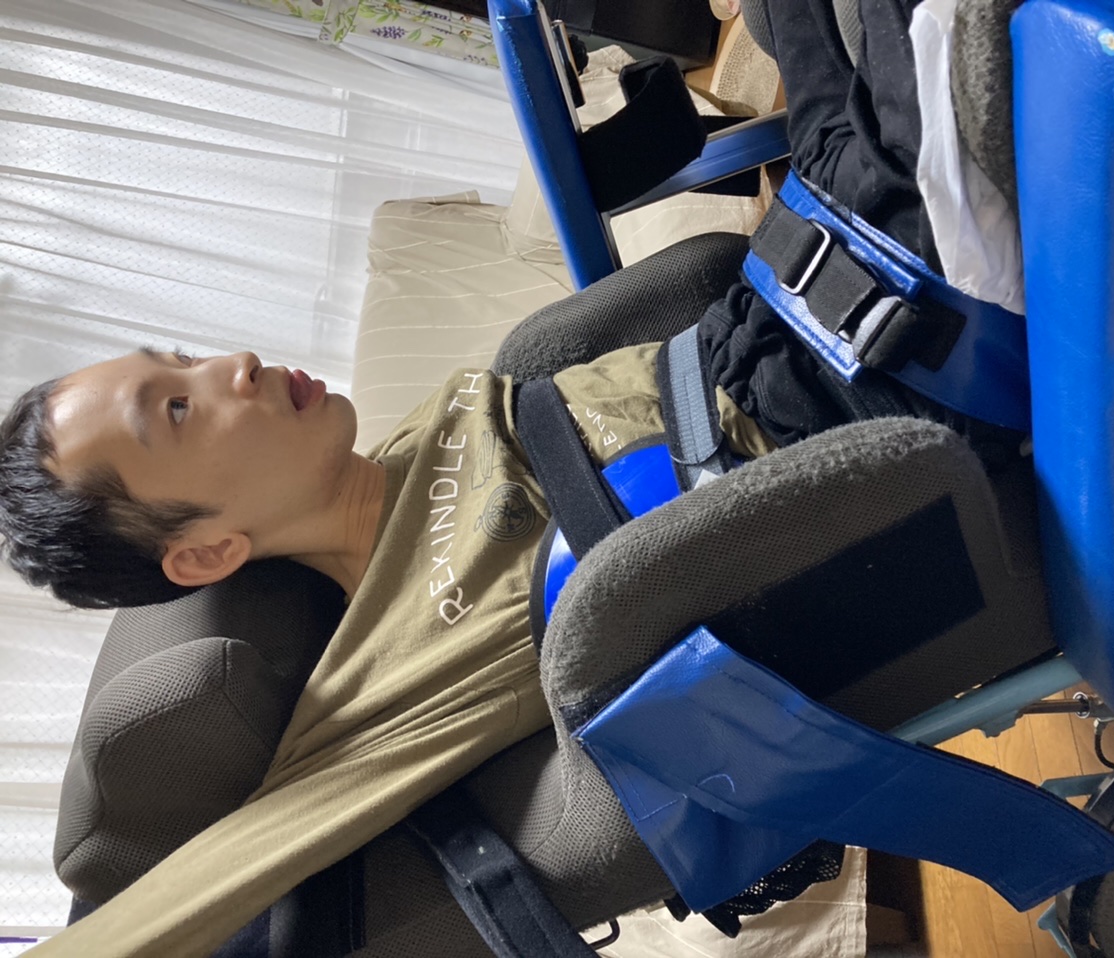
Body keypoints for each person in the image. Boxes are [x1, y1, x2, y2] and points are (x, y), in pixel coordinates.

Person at [0, 1, 1018, 954]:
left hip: (790, 290)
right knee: (954, 45)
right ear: (206, 552)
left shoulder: (414, 440)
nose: (232, 365)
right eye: (177, 409)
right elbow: (175, 909)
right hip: (871, 392)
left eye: (180, 359)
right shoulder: (374, 696)